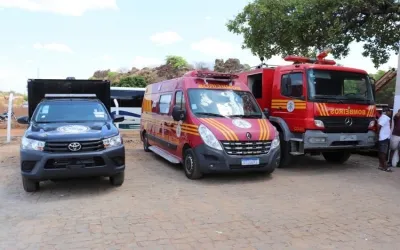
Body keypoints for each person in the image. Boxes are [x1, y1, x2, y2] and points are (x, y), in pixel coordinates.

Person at [377, 107, 392, 172]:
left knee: (381, 152)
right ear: (386, 112)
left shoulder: (381, 117)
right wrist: (378, 133)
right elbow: (379, 125)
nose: (390, 112)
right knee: (383, 153)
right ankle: (385, 167)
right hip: (384, 137)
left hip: (382, 137)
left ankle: (381, 165)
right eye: (389, 111)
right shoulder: (385, 118)